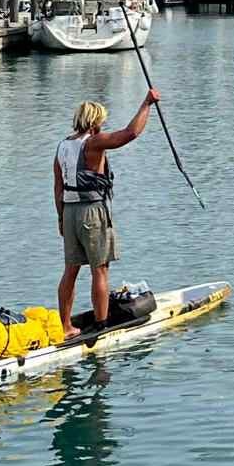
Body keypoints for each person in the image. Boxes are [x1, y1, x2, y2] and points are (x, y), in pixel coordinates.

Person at [55, 89, 160, 339]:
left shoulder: (62, 146)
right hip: (92, 213)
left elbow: (58, 186)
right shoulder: (94, 142)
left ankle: (66, 326)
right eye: (101, 120)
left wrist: (60, 218)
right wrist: (146, 104)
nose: (103, 124)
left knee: (70, 270)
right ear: (93, 122)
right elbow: (130, 133)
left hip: (69, 212)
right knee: (99, 270)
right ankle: (102, 325)